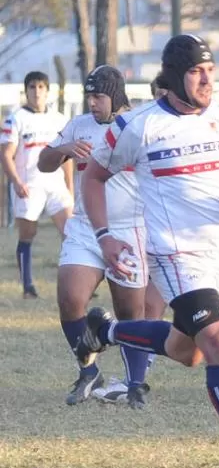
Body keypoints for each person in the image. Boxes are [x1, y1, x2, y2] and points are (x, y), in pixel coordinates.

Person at [72, 34, 219, 468]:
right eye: (195, 71)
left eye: (210, 69)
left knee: (186, 352)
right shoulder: (139, 125)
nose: (207, 78)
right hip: (174, 254)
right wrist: (104, 235)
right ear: (173, 77)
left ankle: (105, 329)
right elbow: (93, 177)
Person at [37, 65, 166, 406]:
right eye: (89, 96)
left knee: (130, 312)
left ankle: (135, 383)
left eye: (98, 96)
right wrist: (64, 148)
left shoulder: (137, 126)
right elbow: (43, 163)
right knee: (69, 297)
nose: (92, 103)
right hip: (85, 227)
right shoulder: (78, 126)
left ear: (116, 95)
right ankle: (88, 371)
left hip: (128, 231)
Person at [0, 71, 72, 298]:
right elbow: (6, 154)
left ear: (47, 90)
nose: (37, 91)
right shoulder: (16, 118)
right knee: (27, 235)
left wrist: (69, 186)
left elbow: (66, 156)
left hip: (55, 184)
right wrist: (17, 182)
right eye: (32, 87)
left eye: (41, 87)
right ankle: (27, 286)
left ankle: (76, 283)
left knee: (72, 233)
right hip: (29, 185)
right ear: (26, 90)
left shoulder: (59, 119)